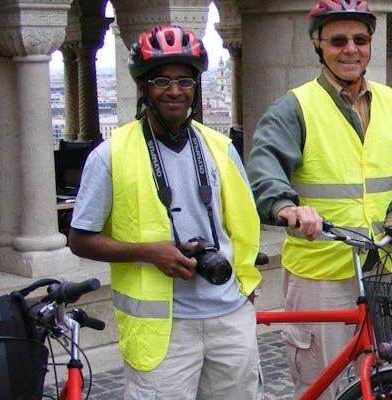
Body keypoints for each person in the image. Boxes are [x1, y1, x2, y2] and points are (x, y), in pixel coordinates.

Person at [68, 25, 262, 399]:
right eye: (161, 80)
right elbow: (80, 239)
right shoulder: (111, 155)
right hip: (164, 327)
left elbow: (243, 225)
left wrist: (246, 290)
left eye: (184, 80)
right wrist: (148, 252)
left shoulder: (220, 148)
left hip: (229, 315)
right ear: (143, 87)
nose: (174, 90)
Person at [246, 0, 392, 398]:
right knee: (323, 380)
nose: (350, 48)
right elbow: (264, 168)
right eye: (338, 40)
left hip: (383, 263)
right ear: (318, 44)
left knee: (390, 378)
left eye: (360, 39)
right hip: (321, 270)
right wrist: (286, 207)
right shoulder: (293, 108)